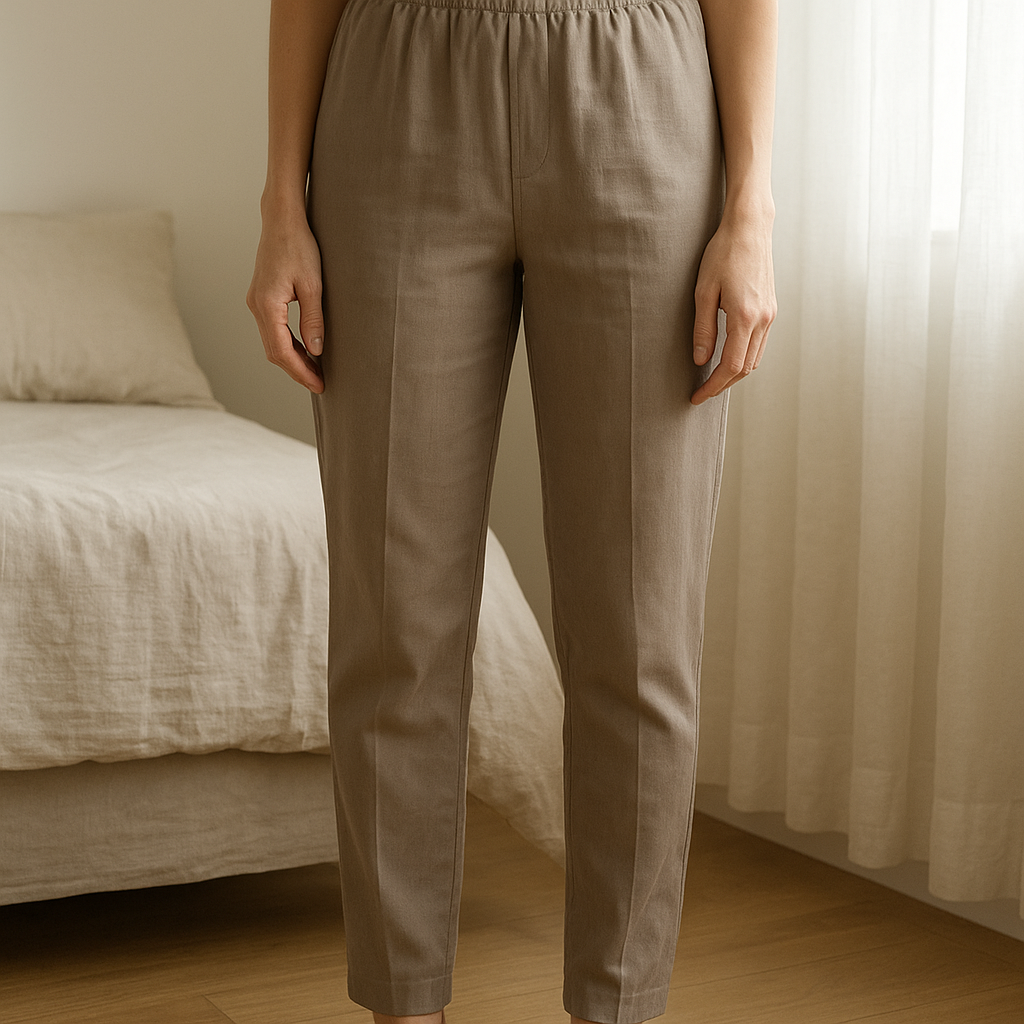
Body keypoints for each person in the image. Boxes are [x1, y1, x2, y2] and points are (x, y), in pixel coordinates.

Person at [247, 0, 777, 1022]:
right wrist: (282, 203)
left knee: (640, 635)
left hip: (640, 97)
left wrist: (750, 208)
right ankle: (405, 1005)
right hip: (396, 96)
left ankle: (616, 1005)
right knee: (394, 624)